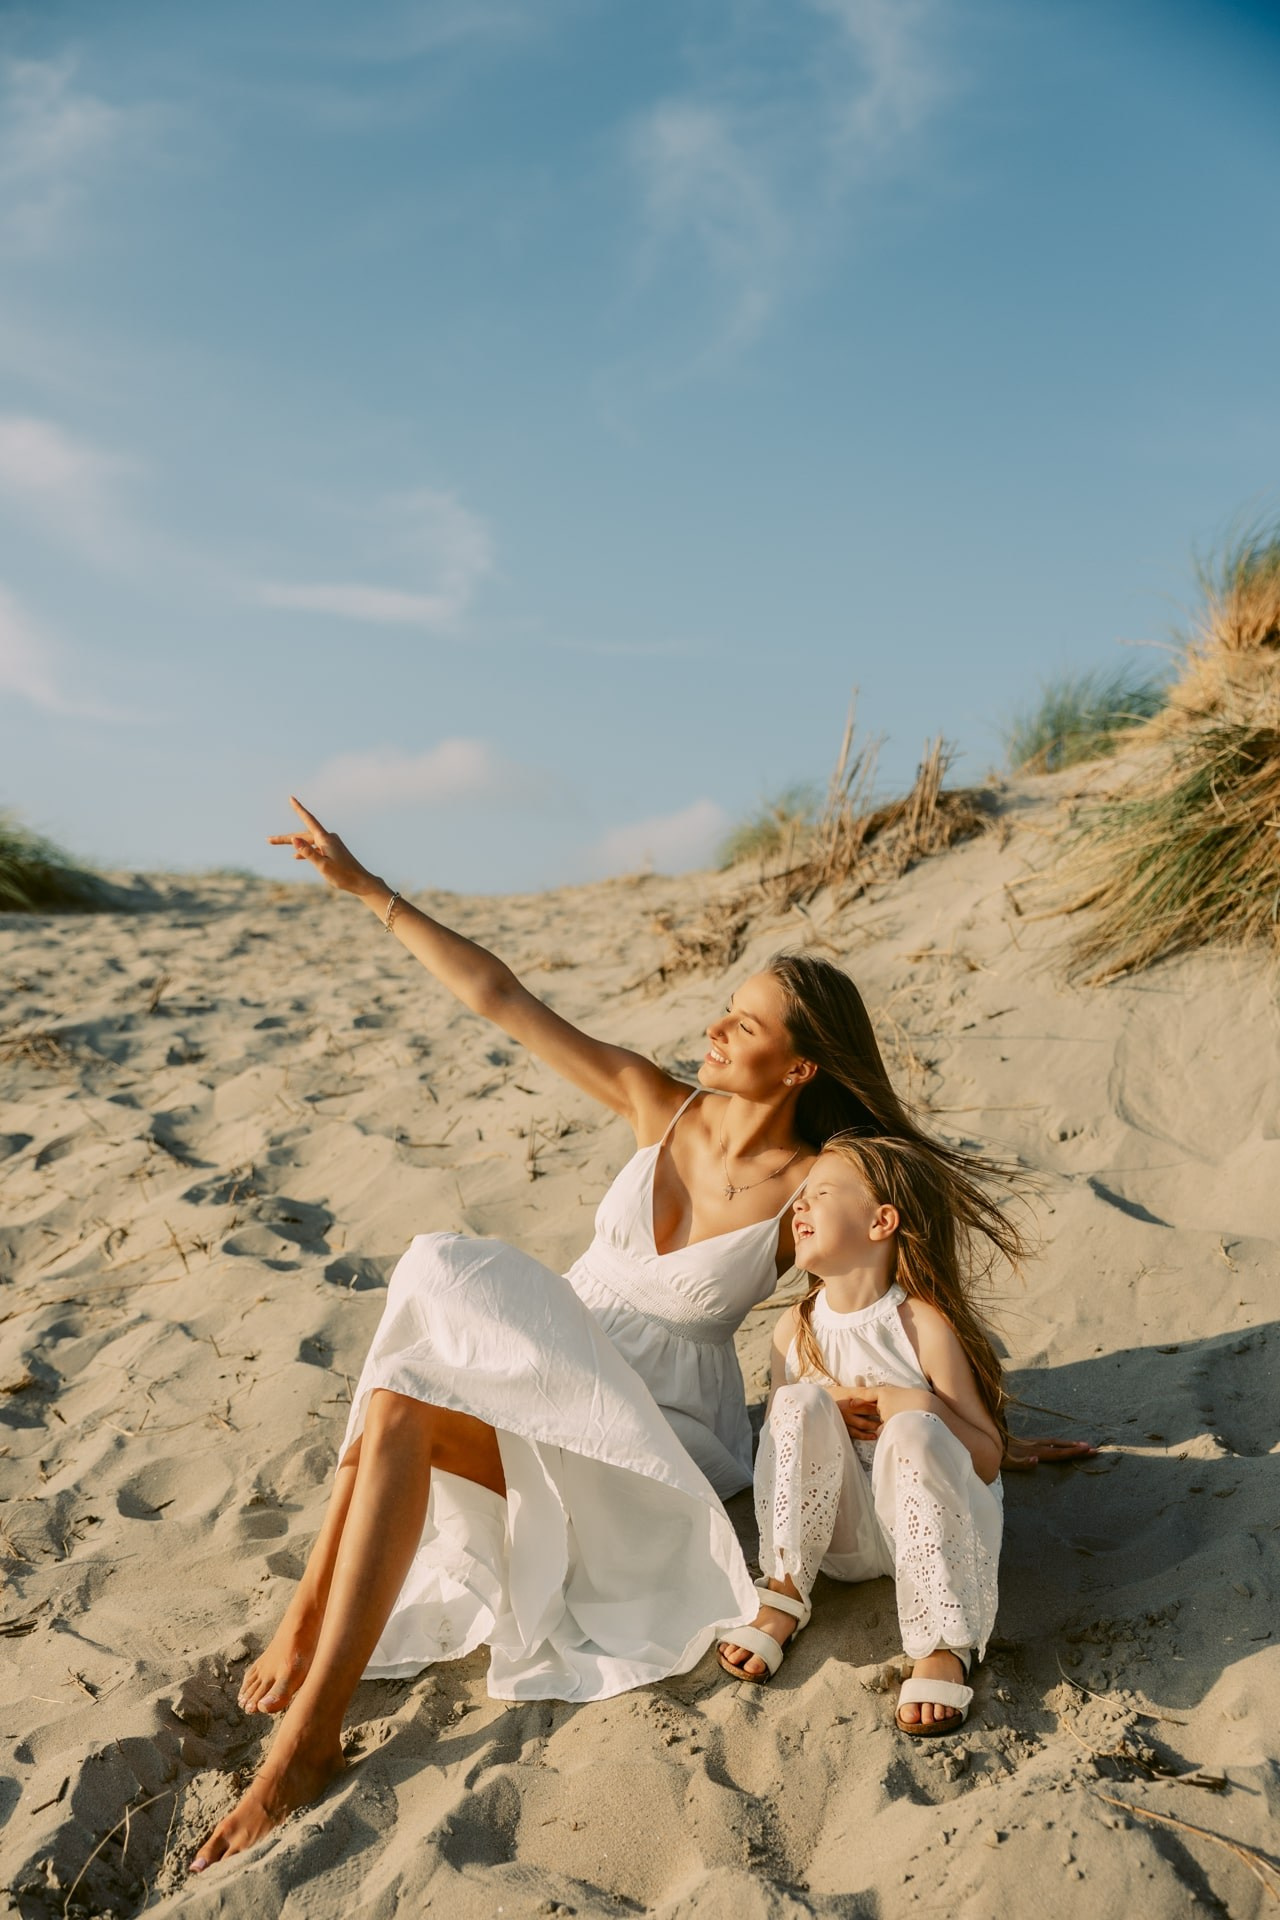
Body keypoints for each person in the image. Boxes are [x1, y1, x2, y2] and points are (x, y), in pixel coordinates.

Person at [191, 799, 1088, 1870]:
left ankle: (302, 1736)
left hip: (650, 1425)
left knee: (431, 1301)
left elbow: (898, 1288)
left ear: (798, 1067)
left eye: (742, 1026)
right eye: (722, 1012)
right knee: (407, 1370)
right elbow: (501, 999)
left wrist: (980, 1426)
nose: (711, 1031)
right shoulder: (653, 1104)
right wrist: (369, 889)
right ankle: (308, 1649)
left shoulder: (820, 1179)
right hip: (548, 1359)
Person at [717, 1132, 1018, 1736]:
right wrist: (821, 1401)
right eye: (798, 1197)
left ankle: (940, 1640)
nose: (797, 1206)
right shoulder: (793, 1330)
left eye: (819, 1193)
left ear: (881, 1221)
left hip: (932, 1540)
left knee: (911, 1431)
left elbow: (986, 1458)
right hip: (841, 1540)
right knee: (796, 1402)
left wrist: (922, 1404)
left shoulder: (920, 1324)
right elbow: (783, 1450)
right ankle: (783, 1592)